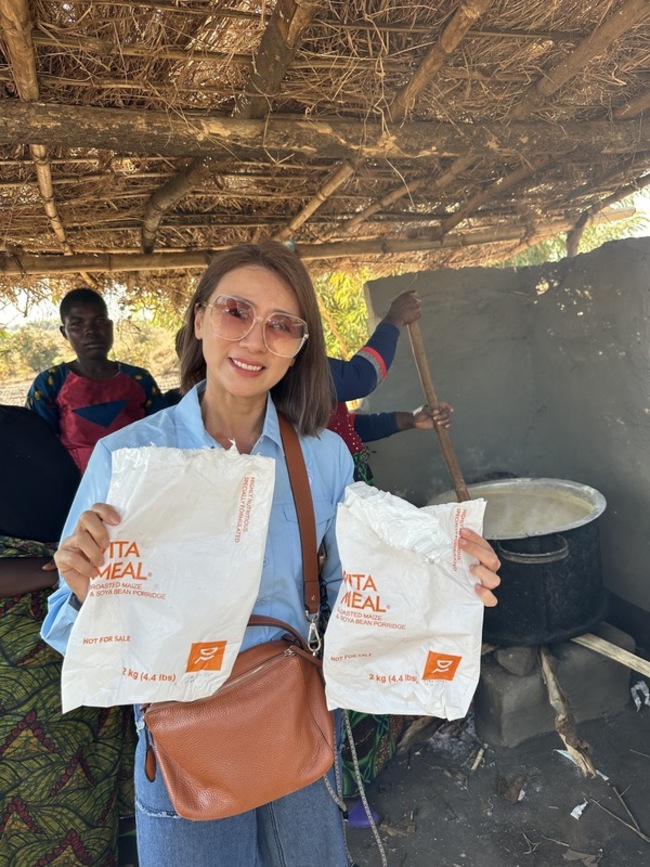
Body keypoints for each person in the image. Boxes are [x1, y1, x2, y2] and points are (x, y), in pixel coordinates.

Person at [41, 242, 500, 867]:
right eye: (236, 312)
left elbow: (354, 595)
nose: (256, 339)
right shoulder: (127, 461)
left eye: (282, 325)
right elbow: (66, 628)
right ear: (199, 319)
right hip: (182, 737)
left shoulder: (322, 457)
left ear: (298, 346)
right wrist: (82, 588)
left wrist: (443, 575)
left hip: (295, 719)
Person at [0, 405, 135, 866]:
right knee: (41, 808)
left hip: (80, 630)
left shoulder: (23, 422)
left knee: (93, 788)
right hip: (20, 671)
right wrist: (57, 569)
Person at [26, 287, 167, 473]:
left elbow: (164, 434)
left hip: (139, 483)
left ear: (110, 325)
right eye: (77, 324)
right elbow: (39, 446)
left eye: (100, 321)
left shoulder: (139, 379)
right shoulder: (51, 383)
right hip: (77, 491)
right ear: (64, 332)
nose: (91, 331)